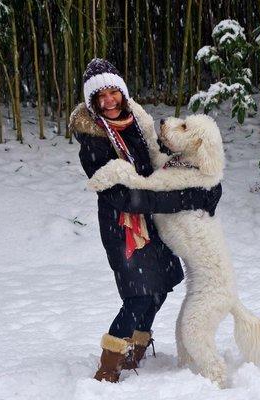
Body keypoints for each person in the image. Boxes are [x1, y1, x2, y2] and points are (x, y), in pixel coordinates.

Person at [70, 58, 222, 383]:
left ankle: (135, 350)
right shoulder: (94, 139)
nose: (109, 100)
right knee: (138, 294)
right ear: (92, 102)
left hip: (152, 218)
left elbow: (161, 162)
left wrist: (202, 181)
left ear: (122, 93)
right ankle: (108, 366)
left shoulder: (138, 121)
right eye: (101, 96)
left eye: (113, 92)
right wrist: (185, 198)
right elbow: (123, 196)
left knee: (160, 289)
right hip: (123, 224)